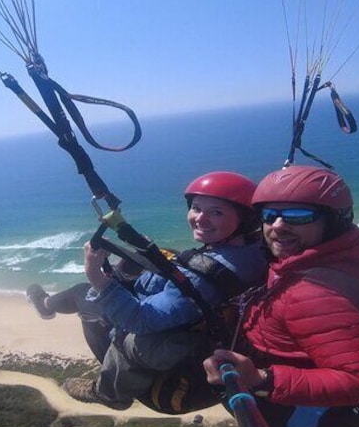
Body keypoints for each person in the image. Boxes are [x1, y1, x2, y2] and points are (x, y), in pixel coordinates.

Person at [26, 171, 267, 410]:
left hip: (173, 348)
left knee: (83, 294)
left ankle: (108, 392)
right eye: (196, 208)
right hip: (201, 325)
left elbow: (140, 320)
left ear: (244, 220)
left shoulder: (204, 276)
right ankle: (51, 304)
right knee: (139, 263)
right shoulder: (256, 250)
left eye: (216, 212)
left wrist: (95, 274)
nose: (200, 218)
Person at [202, 165, 359, 427]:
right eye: (269, 215)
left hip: (289, 412)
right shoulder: (356, 245)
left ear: (333, 221)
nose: (278, 226)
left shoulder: (310, 295)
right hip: (308, 346)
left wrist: (260, 379)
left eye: (297, 215)